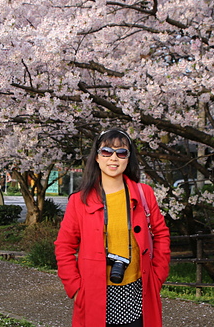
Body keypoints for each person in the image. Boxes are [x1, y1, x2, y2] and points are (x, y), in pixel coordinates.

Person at [55, 129, 171, 327]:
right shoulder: (79, 200)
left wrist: (158, 276)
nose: (113, 158)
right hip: (93, 293)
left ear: (128, 158)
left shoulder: (144, 194)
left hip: (138, 290)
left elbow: (161, 235)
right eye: (106, 151)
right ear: (97, 157)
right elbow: (64, 246)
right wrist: (75, 288)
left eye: (121, 152)